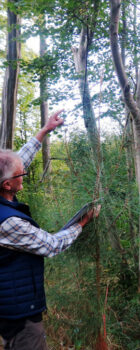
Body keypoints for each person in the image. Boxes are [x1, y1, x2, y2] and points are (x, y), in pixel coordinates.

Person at [0, 110, 99, 349]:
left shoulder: (4, 184)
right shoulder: (8, 222)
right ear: (7, 184)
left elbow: (16, 162)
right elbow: (51, 245)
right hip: (19, 313)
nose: (24, 175)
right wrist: (81, 223)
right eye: (21, 175)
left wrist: (44, 131)